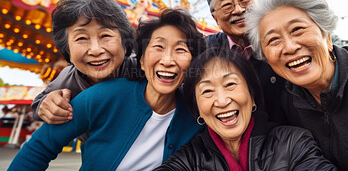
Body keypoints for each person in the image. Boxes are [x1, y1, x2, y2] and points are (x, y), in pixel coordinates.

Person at [8, 9, 206, 171]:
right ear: (142, 61)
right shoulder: (100, 96)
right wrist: (44, 103)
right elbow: (39, 149)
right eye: (158, 47)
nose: (168, 60)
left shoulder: (198, 111)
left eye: (181, 50)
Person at [246, 0, 348, 170]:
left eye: (297, 30)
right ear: (267, 60)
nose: (290, 47)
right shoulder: (286, 106)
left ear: (327, 37)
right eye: (273, 40)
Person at [155, 48, 337, 171]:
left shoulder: (292, 143)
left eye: (230, 84)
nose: (222, 100)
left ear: (252, 96)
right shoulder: (190, 159)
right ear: (198, 109)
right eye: (207, 91)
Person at [31, 0, 138, 126]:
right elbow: (37, 106)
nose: (95, 50)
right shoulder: (67, 80)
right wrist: (47, 106)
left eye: (105, 36)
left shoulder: (141, 68)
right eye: (81, 38)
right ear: (67, 50)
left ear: (125, 44)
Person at [205, 0, 286, 124]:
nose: (239, 9)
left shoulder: (284, 43)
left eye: (246, 0)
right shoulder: (202, 51)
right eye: (227, 5)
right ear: (215, 19)